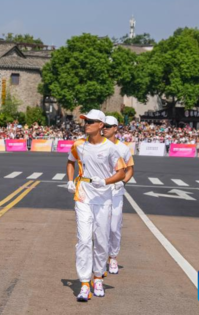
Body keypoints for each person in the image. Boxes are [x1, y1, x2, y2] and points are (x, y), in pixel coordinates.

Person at [66, 109, 125, 301]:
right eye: (85, 121)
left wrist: (106, 181)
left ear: (101, 125)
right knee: (83, 239)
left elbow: (121, 173)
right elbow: (70, 161)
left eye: (91, 121)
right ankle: (84, 283)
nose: (86, 124)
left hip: (103, 197)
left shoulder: (111, 148)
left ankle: (98, 277)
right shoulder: (78, 145)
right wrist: (69, 180)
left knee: (101, 240)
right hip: (83, 194)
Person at [102, 116, 134, 275]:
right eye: (103, 125)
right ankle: (100, 258)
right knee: (99, 228)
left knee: (114, 227)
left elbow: (130, 169)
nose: (105, 128)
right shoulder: (97, 146)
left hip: (115, 192)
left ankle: (113, 256)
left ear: (115, 128)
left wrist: (123, 182)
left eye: (108, 126)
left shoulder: (123, 148)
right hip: (99, 192)